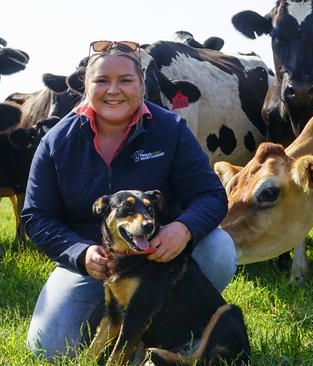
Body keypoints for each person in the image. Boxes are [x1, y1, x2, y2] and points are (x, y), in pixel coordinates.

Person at [21, 41, 238, 361]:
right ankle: (121, 320)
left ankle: (170, 327)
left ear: (142, 85)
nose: (114, 90)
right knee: (47, 347)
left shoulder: (171, 130)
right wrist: (79, 253)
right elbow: (37, 216)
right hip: (90, 262)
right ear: (86, 86)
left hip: (158, 256)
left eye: (125, 80)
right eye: (102, 81)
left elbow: (211, 194)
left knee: (219, 248)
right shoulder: (58, 141)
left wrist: (183, 228)